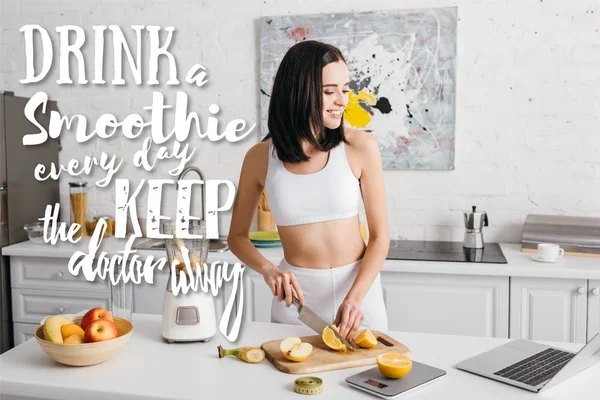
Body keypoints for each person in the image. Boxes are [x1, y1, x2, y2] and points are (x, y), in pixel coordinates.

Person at [227, 40, 389, 341]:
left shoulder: (360, 146)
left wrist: (355, 298)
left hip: (358, 299)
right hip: (296, 303)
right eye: (329, 91)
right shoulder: (260, 157)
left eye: (345, 88)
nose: (342, 100)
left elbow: (380, 237)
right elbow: (236, 237)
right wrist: (268, 270)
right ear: (300, 91)